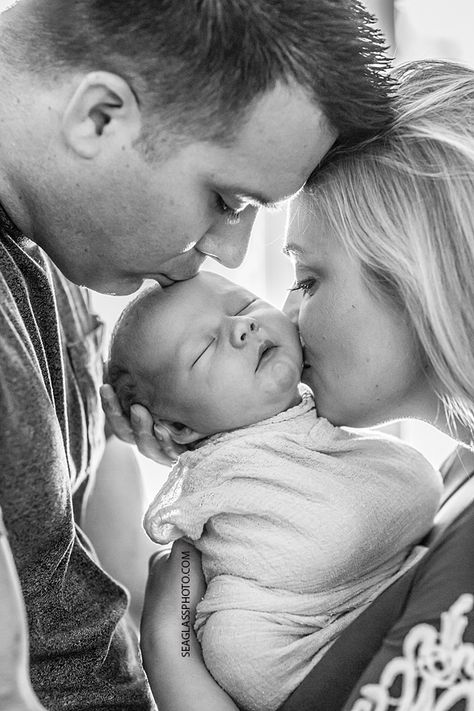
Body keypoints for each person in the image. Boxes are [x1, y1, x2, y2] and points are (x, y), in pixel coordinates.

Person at [0, 0, 396, 707]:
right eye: (225, 198)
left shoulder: (58, 249)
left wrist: (206, 456)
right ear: (100, 116)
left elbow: (59, 559)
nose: (228, 254)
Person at [139, 60, 474, 710]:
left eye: (310, 278)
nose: (287, 318)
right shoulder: (455, 480)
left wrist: (171, 654)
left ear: (415, 275)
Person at [107, 270, 442, 711]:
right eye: (205, 348)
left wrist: (170, 640)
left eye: (244, 306)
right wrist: (174, 634)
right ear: (181, 429)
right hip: (273, 647)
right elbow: (177, 564)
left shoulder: (321, 431)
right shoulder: (212, 477)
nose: (242, 327)